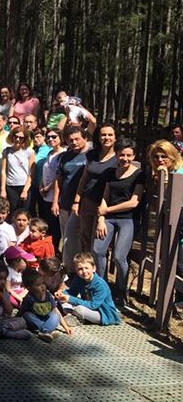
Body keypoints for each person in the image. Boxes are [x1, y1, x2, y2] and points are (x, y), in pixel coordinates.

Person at [92, 139, 144, 308]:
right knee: (98, 250)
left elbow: (134, 202)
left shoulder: (139, 174)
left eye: (129, 155)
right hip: (108, 217)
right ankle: (102, 286)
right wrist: (101, 218)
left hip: (128, 218)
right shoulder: (110, 173)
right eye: (122, 154)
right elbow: (105, 196)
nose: (125, 158)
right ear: (116, 155)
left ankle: (122, 290)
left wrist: (108, 210)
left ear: (134, 156)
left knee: (119, 256)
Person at [75, 122, 117, 255]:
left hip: (105, 204)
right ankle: (84, 270)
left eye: (110, 135)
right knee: (84, 236)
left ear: (115, 138)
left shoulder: (119, 158)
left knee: (98, 241)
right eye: (103, 135)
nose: (107, 138)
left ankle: (98, 273)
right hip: (88, 201)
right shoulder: (92, 155)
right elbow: (84, 178)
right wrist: (77, 201)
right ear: (98, 137)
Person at [54, 126, 90, 270]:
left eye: (77, 139)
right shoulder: (65, 156)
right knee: (67, 239)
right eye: (70, 140)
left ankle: (82, 268)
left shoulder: (91, 156)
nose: (74, 142)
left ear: (85, 138)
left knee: (80, 238)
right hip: (65, 202)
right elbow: (59, 179)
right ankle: (69, 268)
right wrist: (56, 201)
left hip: (83, 205)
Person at [56, 251, 120, 326]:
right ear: (76, 270)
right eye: (80, 269)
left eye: (86, 268)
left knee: (79, 309)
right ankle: (72, 316)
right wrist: (61, 294)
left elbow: (93, 305)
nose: (84, 271)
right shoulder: (79, 278)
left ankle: (76, 318)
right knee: (61, 301)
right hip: (87, 307)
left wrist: (70, 299)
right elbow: (72, 291)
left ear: (94, 268)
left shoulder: (100, 285)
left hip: (103, 314)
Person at [0, 261, 31, 339]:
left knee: (22, 321)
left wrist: (3, 296)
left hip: (2, 320)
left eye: (4, 279)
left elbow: (9, 311)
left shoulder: (4, 290)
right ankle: (11, 334)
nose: (3, 282)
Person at [21, 268, 72, 341]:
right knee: (27, 315)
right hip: (37, 321)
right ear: (30, 288)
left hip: (48, 319)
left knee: (56, 315)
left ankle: (44, 332)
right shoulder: (29, 298)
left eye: (43, 283)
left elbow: (56, 310)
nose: (42, 286)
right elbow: (22, 311)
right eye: (38, 285)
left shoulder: (48, 295)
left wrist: (66, 327)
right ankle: (47, 331)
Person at [0, 126, 35, 214]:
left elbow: (31, 173)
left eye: (21, 138)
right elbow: (3, 171)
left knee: (24, 213)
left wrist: (25, 190)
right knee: (12, 212)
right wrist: (3, 189)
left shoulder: (29, 152)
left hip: (24, 185)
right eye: (16, 136)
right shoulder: (7, 151)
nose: (18, 139)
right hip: (11, 185)